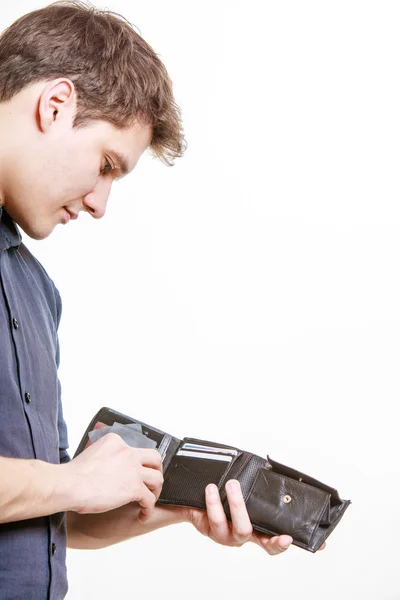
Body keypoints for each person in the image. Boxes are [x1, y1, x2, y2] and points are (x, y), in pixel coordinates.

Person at [0, 1, 325, 598]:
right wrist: (70, 482)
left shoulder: (34, 290)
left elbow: (44, 519)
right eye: (105, 166)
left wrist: (179, 507)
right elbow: (60, 488)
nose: (99, 204)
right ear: (54, 105)